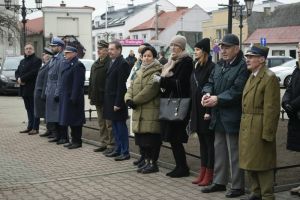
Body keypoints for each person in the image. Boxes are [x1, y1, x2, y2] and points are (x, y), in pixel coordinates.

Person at [201, 34, 249, 198]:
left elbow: (237, 90)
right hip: (218, 114)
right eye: (222, 47)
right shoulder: (219, 64)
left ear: (237, 48)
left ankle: (237, 186)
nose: (223, 50)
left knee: (234, 152)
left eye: (227, 47)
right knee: (219, 149)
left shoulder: (243, 66)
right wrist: (206, 93)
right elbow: (210, 82)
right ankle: (219, 182)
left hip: (232, 115)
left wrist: (218, 99)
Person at [239, 44, 280, 200]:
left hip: (260, 125)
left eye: (251, 57)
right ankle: (255, 192)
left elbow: (272, 109)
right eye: (247, 56)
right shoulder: (252, 75)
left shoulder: (269, 78)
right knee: (251, 161)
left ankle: (267, 194)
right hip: (248, 124)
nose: (247, 59)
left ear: (262, 59)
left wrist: (268, 132)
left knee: (263, 163)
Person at [153, 35, 193, 178]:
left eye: (175, 46)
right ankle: (179, 166)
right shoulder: (172, 61)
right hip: (171, 103)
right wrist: (162, 82)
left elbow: (180, 84)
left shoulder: (186, 61)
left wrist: (162, 81)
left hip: (178, 105)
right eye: (171, 46)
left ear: (182, 47)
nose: (172, 48)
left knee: (176, 138)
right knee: (172, 138)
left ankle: (182, 167)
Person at [125, 46, 162, 173]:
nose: (146, 58)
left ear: (154, 57)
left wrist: (134, 101)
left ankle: (153, 163)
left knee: (151, 140)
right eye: (144, 56)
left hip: (150, 111)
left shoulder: (157, 72)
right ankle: (146, 162)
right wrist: (128, 99)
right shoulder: (139, 70)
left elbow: (150, 90)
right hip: (139, 110)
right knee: (142, 140)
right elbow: (130, 87)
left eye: (149, 56)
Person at [190, 38, 215, 186]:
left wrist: (208, 110)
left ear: (204, 51)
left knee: (209, 143)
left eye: (198, 49)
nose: (195, 52)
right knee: (202, 143)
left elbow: (211, 89)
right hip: (196, 111)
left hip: (206, 111)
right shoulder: (196, 66)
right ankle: (202, 171)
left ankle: (210, 173)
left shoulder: (211, 67)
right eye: (195, 49)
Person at [103, 41, 131, 161]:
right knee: (115, 127)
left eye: (112, 49)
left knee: (121, 127)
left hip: (117, 101)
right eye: (109, 49)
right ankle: (118, 149)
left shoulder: (123, 63)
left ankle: (125, 152)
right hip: (110, 99)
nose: (109, 51)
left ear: (119, 50)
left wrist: (118, 103)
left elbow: (121, 85)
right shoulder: (111, 62)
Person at [88, 40, 114, 154]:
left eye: (101, 49)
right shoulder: (95, 64)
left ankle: (111, 144)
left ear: (107, 51)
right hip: (97, 97)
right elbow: (91, 81)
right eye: (98, 49)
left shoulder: (110, 63)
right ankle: (104, 142)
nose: (99, 51)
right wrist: (90, 95)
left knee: (109, 124)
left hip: (106, 98)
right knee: (101, 122)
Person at [282, 44, 300, 197]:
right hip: (296, 117)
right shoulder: (296, 69)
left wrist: (292, 105)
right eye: (299, 47)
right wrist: (285, 102)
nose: (299, 50)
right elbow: (288, 89)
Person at [59, 46, 86, 149]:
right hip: (67, 97)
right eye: (65, 53)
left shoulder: (78, 65)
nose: (66, 55)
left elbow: (77, 84)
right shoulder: (68, 64)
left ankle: (77, 141)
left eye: (68, 53)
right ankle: (73, 140)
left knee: (76, 121)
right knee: (70, 119)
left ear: (74, 53)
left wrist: (73, 98)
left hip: (74, 98)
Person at [15, 43, 42, 134]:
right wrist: (18, 79)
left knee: (34, 108)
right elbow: (17, 71)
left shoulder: (37, 60)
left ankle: (35, 127)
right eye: (26, 49)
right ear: (24, 50)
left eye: (30, 48)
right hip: (23, 88)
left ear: (33, 50)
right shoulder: (22, 61)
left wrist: (22, 79)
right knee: (28, 108)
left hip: (32, 88)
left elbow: (34, 72)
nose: (28, 50)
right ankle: (30, 126)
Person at [45, 37, 67, 144]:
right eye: (52, 46)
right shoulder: (54, 58)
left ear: (60, 47)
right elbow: (49, 76)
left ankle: (63, 136)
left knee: (58, 114)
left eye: (54, 46)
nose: (52, 48)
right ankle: (57, 135)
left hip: (56, 89)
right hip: (51, 88)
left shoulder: (61, 58)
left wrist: (57, 92)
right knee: (53, 115)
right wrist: (47, 90)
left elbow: (59, 77)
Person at [34, 48, 53, 136]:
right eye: (43, 55)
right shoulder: (45, 64)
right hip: (39, 91)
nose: (43, 56)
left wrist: (44, 93)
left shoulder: (49, 65)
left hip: (43, 92)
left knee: (47, 112)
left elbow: (46, 81)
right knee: (45, 113)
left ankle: (51, 130)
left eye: (44, 55)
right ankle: (48, 130)